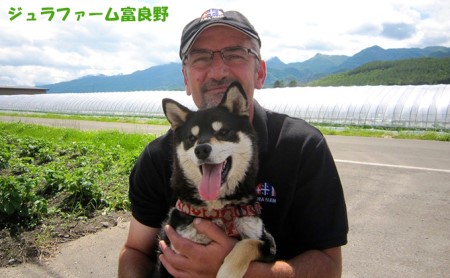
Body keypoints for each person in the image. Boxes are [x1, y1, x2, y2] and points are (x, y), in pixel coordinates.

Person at [119, 8, 348, 277]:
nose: (217, 71)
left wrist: (237, 271)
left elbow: (329, 265)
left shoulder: (303, 147)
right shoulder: (158, 156)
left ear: (260, 72)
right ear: (186, 78)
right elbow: (135, 251)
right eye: (201, 58)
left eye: (236, 54)